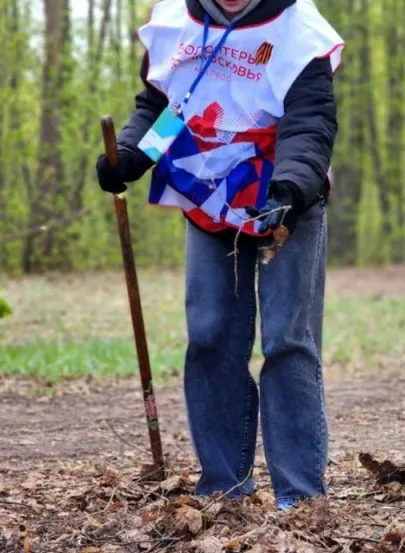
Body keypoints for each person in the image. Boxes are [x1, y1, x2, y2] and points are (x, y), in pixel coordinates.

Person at [94, 0, 344, 511]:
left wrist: (290, 188)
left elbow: (310, 124)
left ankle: (299, 495)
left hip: (286, 202)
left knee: (287, 343)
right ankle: (223, 487)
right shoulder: (174, 22)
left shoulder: (302, 32)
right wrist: (131, 154)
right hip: (207, 198)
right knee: (210, 338)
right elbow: (165, 106)